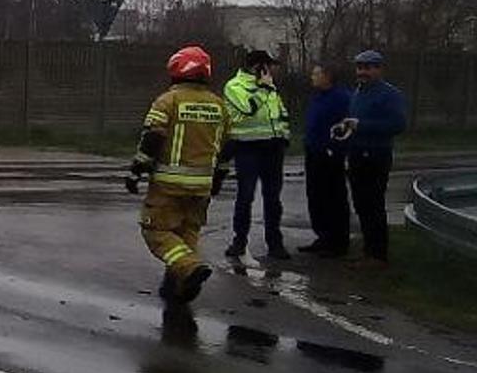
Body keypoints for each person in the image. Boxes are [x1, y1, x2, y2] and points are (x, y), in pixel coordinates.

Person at [129, 46, 231, 305]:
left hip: (168, 184)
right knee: (187, 234)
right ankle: (179, 285)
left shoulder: (168, 101)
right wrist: (218, 178)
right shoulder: (219, 106)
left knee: (156, 231)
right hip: (202, 187)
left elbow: (153, 137)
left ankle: (188, 267)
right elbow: (228, 147)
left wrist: (136, 170)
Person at [333, 50, 407, 265]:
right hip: (356, 154)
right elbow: (355, 120)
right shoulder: (358, 92)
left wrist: (362, 125)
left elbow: (398, 125)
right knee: (361, 204)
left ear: (379, 69)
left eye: (367, 68)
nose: (362, 72)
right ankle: (368, 250)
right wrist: (346, 126)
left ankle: (378, 254)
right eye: (359, 67)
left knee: (373, 204)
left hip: (376, 155)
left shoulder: (390, 94)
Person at [221, 50, 292, 260]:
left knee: (273, 199)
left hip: (272, 147)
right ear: (258, 67)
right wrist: (264, 88)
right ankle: (239, 241)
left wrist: (284, 136)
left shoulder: (270, 87)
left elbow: (280, 113)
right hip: (247, 147)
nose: (271, 70)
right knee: (246, 196)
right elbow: (248, 108)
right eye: (267, 65)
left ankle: (275, 243)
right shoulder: (235, 86)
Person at [300, 65, 352, 257]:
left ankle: (337, 242)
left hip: (330, 154)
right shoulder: (317, 97)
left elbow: (347, 126)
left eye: (316, 74)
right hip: (313, 151)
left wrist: (335, 148)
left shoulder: (341, 98)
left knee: (334, 197)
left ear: (327, 76)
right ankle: (322, 236)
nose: (312, 77)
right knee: (316, 196)